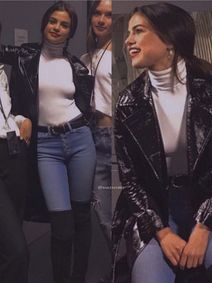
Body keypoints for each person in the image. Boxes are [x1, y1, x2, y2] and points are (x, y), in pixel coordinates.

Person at [112, 3, 212, 283]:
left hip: (207, 205)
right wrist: (161, 231)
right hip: (154, 209)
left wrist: (203, 228)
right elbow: (130, 180)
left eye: (138, 31)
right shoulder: (127, 103)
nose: (128, 40)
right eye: (128, 32)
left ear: (169, 39)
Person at [0, 2, 96, 283]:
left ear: (71, 32)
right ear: (44, 23)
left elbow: (84, 106)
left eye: (64, 24)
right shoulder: (25, 55)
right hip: (46, 146)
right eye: (52, 21)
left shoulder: (77, 66)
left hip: (79, 139)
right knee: (61, 223)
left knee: (81, 216)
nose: (56, 27)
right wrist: (20, 116)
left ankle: (77, 277)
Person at [80, 1, 112, 282]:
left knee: (110, 211)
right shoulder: (87, 56)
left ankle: (128, 267)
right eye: (97, 13)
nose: (101, 19)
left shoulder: (124, 53)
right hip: (89, 137)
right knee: (100, 210)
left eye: (109, 14)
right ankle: (122, 266)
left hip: (112, 140)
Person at [0, 21, 32, 283]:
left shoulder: (2, 71)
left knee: (11, 237)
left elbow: (6, 114)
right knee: (17, 251)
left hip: (13, 154)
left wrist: (22, 120)